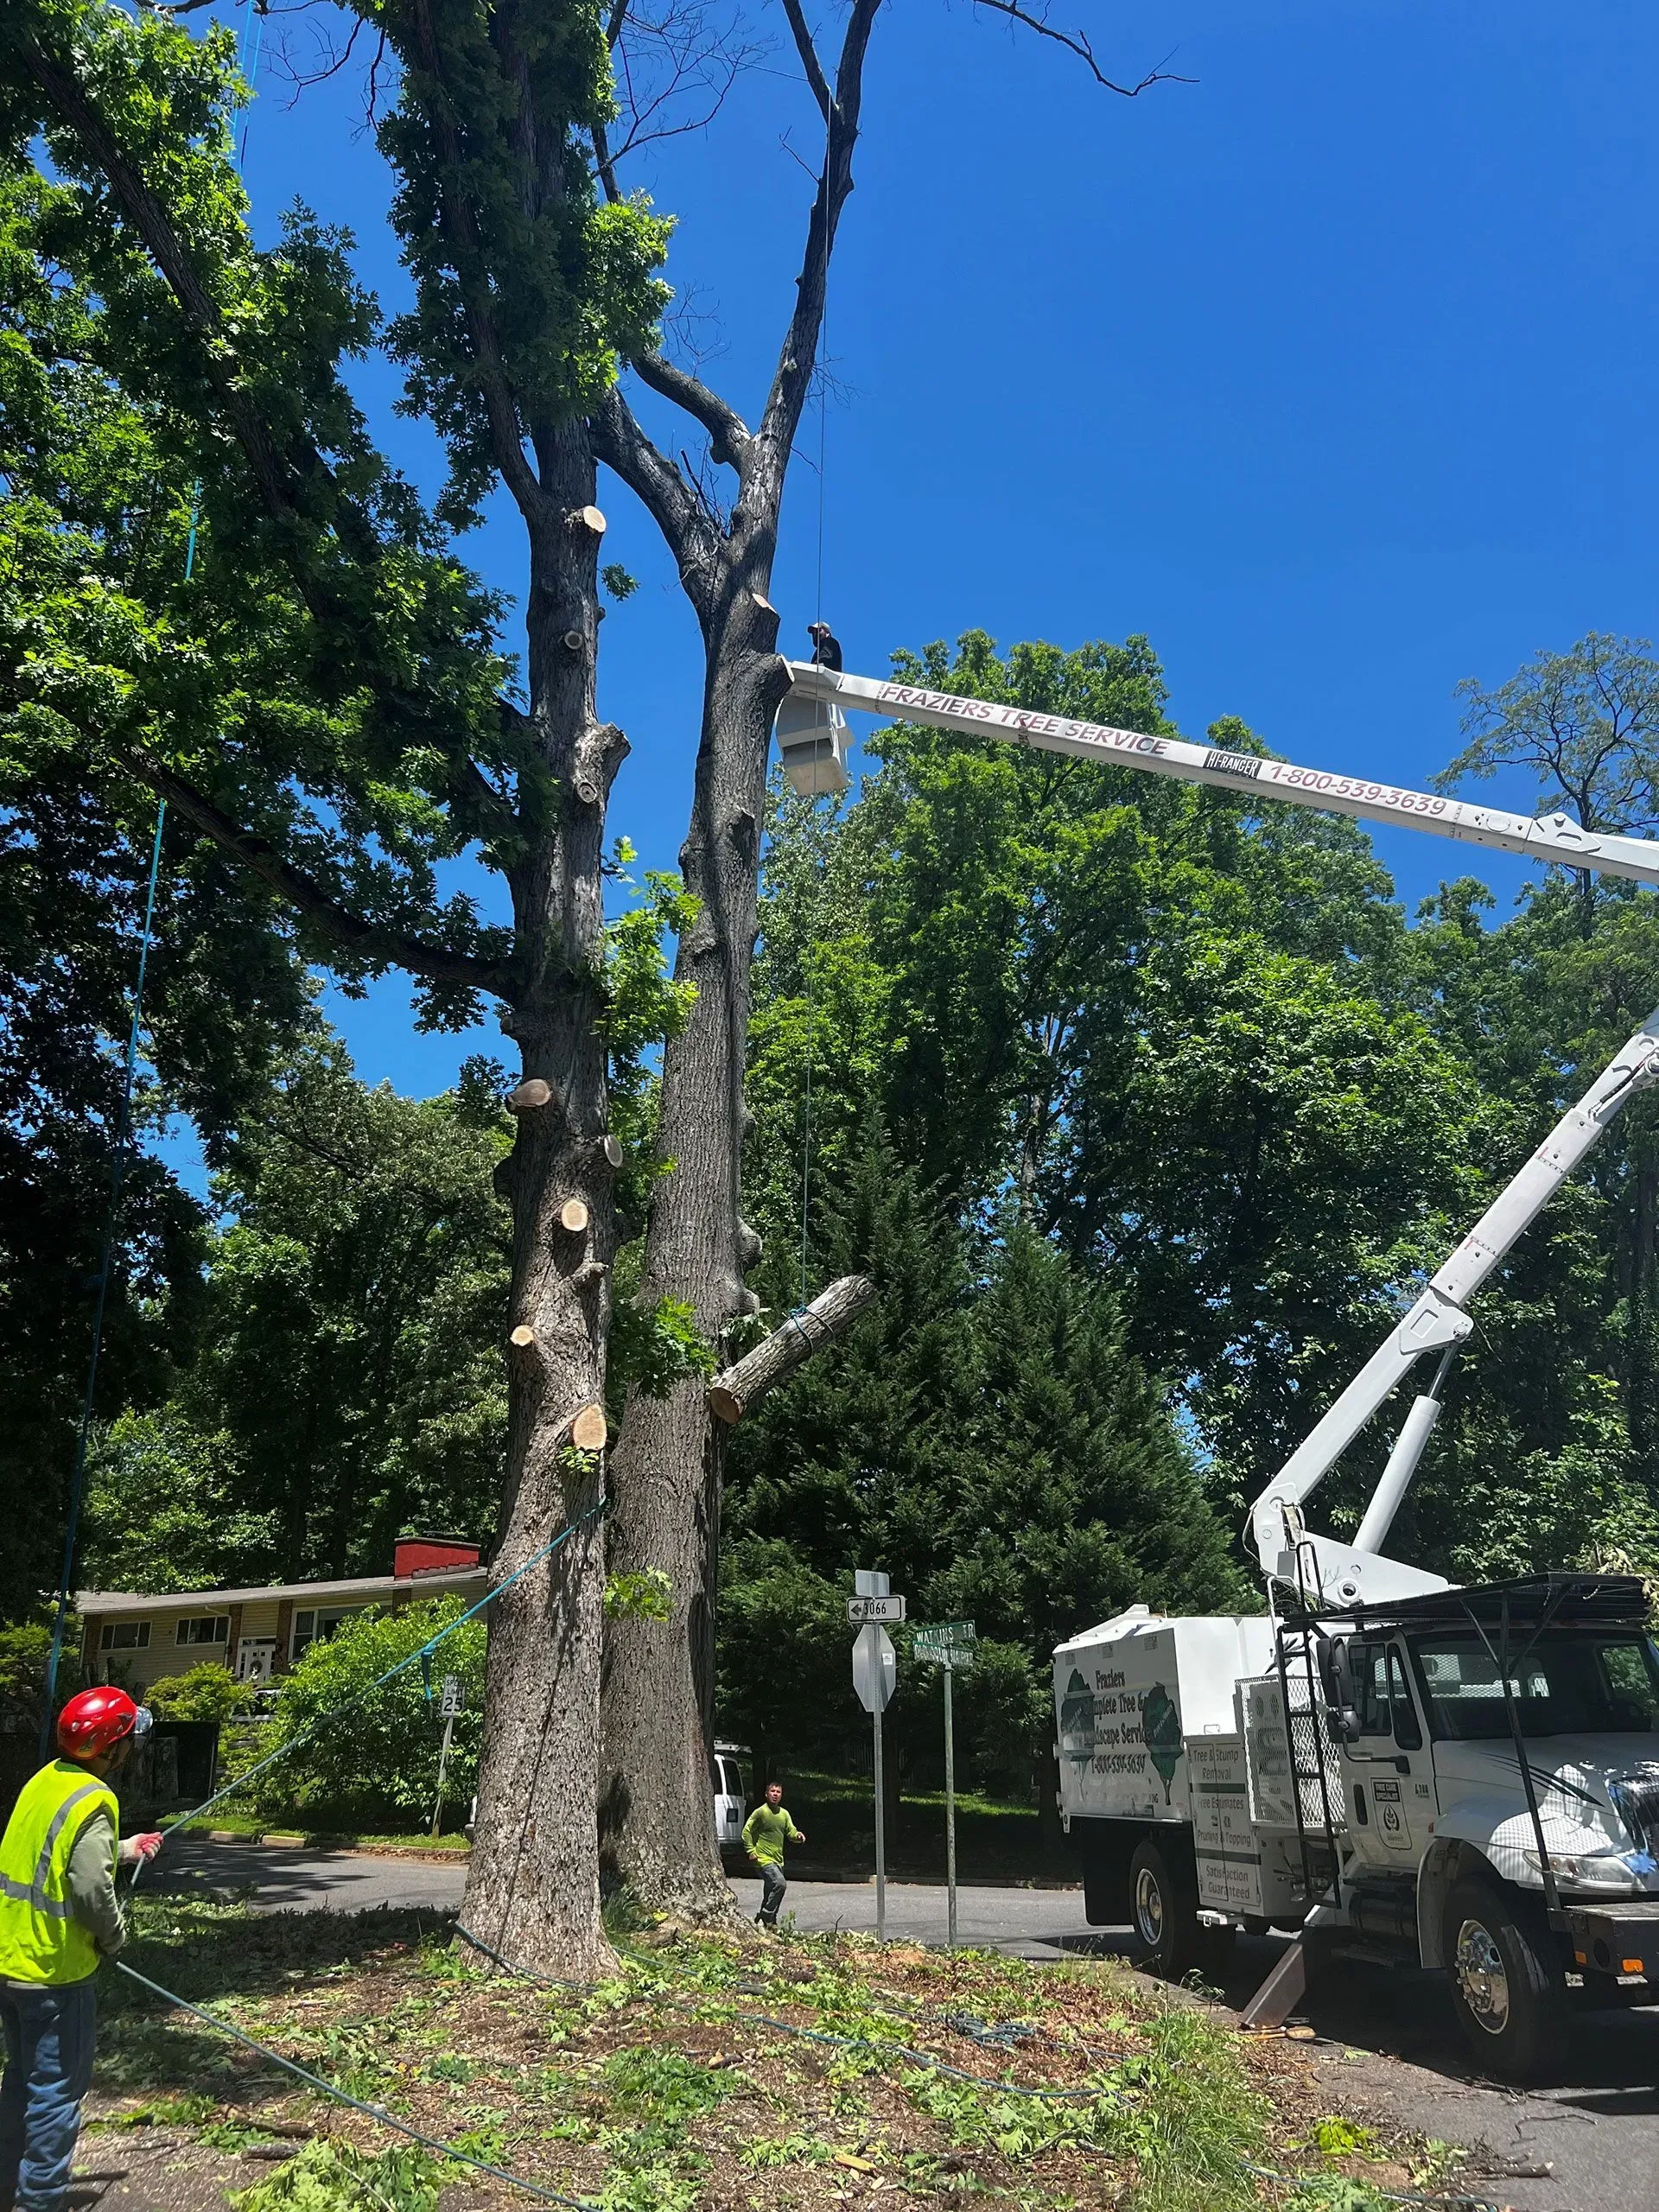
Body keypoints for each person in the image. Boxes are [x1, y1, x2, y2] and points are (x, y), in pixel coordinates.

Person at [0, 1688, 162, 2212]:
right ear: (110, 1747)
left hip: (11, 1962)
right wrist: (114, 1936)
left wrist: (125, 1848)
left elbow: (54, 1856)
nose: (130, 1748)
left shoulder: (44, 1782)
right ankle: (40, 2201)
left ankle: (7, 2189)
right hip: (56, 1973)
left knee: (20, 2085)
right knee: (56, 2094)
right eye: (126, 1739)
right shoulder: (96, 1799)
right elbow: (91, 1891)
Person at [741, 1780, 804, 1930]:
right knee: (780, 1884)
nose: (775, 1795)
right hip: (763, 1859)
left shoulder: (784, 1814)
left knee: (771, 1891)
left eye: (778, 1792)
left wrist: (797, 1836)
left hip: (778, 1860)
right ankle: (766, 1914)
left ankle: (768, 1924)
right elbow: (746, 1831)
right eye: (772, 1791)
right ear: (766, 1794)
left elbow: (790, 1831)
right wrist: (751, 1851)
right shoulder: (761, 1812)